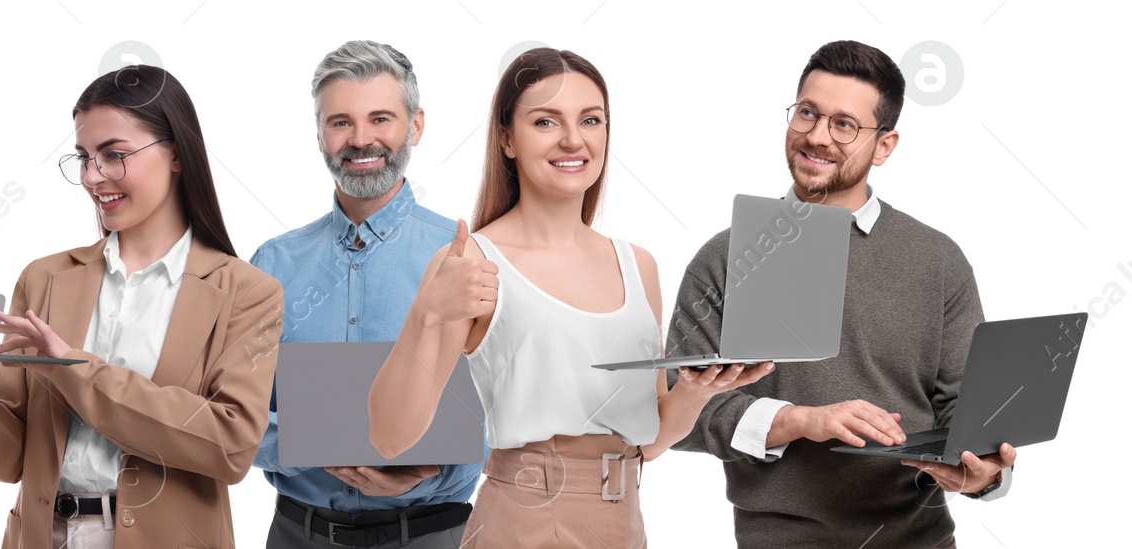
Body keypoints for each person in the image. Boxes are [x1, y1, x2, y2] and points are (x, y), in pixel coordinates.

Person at [0, 64, 284, 548]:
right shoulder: (44, 279)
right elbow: (7, 461)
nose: (92, 176)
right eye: (83, 157)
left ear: (176, 155)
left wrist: (72, 371)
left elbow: (229, 448)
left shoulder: (246, 292)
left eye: (114, 155)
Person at [366, 48, 772, 549]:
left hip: (624, 520)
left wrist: (698, 390)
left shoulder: (637, 264)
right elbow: (389, 437)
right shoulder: (473, 262)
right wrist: (427, 313)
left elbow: (648, 441)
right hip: (524, 520)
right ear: (507, 139)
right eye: (545, 121)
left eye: (591, 120)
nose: (574, 139)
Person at [665, 40, 1018, 548]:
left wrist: (984, 475)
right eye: (807, 113)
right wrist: (801, 420)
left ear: (885, 145)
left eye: (844, 125)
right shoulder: (728, 256)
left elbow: (967, 410)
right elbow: (680, 412)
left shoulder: (938, 259)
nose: (817, 137)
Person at [249, 40, 483, 549]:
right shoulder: (272, 264)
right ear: (319, 133)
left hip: (431, 534)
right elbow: (235, 414)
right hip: (297, 534)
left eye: (381, 119)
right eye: (340, 122)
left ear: (415, 125)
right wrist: (328, 442)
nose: (361, 140)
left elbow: (504, 415)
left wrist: (427, 473)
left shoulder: (465, 257)